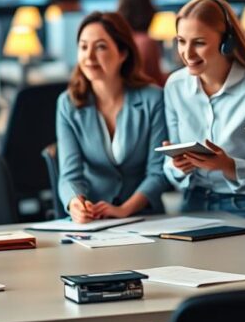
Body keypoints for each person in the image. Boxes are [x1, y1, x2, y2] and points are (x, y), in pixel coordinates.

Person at [163, 0, 245, 224]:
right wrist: (176, 165)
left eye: (199, 42)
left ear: (227, 42)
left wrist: (227, 165)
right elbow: (170, 168)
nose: (187, 53)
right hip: (193, 202)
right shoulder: (175, 85)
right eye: (181, 41)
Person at [56, 12, 168, 222]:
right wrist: (75, 204)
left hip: (145, 218)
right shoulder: (68, 103)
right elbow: (70, 174)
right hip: (95, 220)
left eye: (100, 47)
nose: (89, 57)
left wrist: (125, 209)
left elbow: (158, 172)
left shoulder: (153, 99)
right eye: (83, 47)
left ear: (123, 52)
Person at [117, 0, 166, 87]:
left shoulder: (118, 38)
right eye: (152, 3)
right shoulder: (146, 42)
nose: (155, 8)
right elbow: (157, 82)